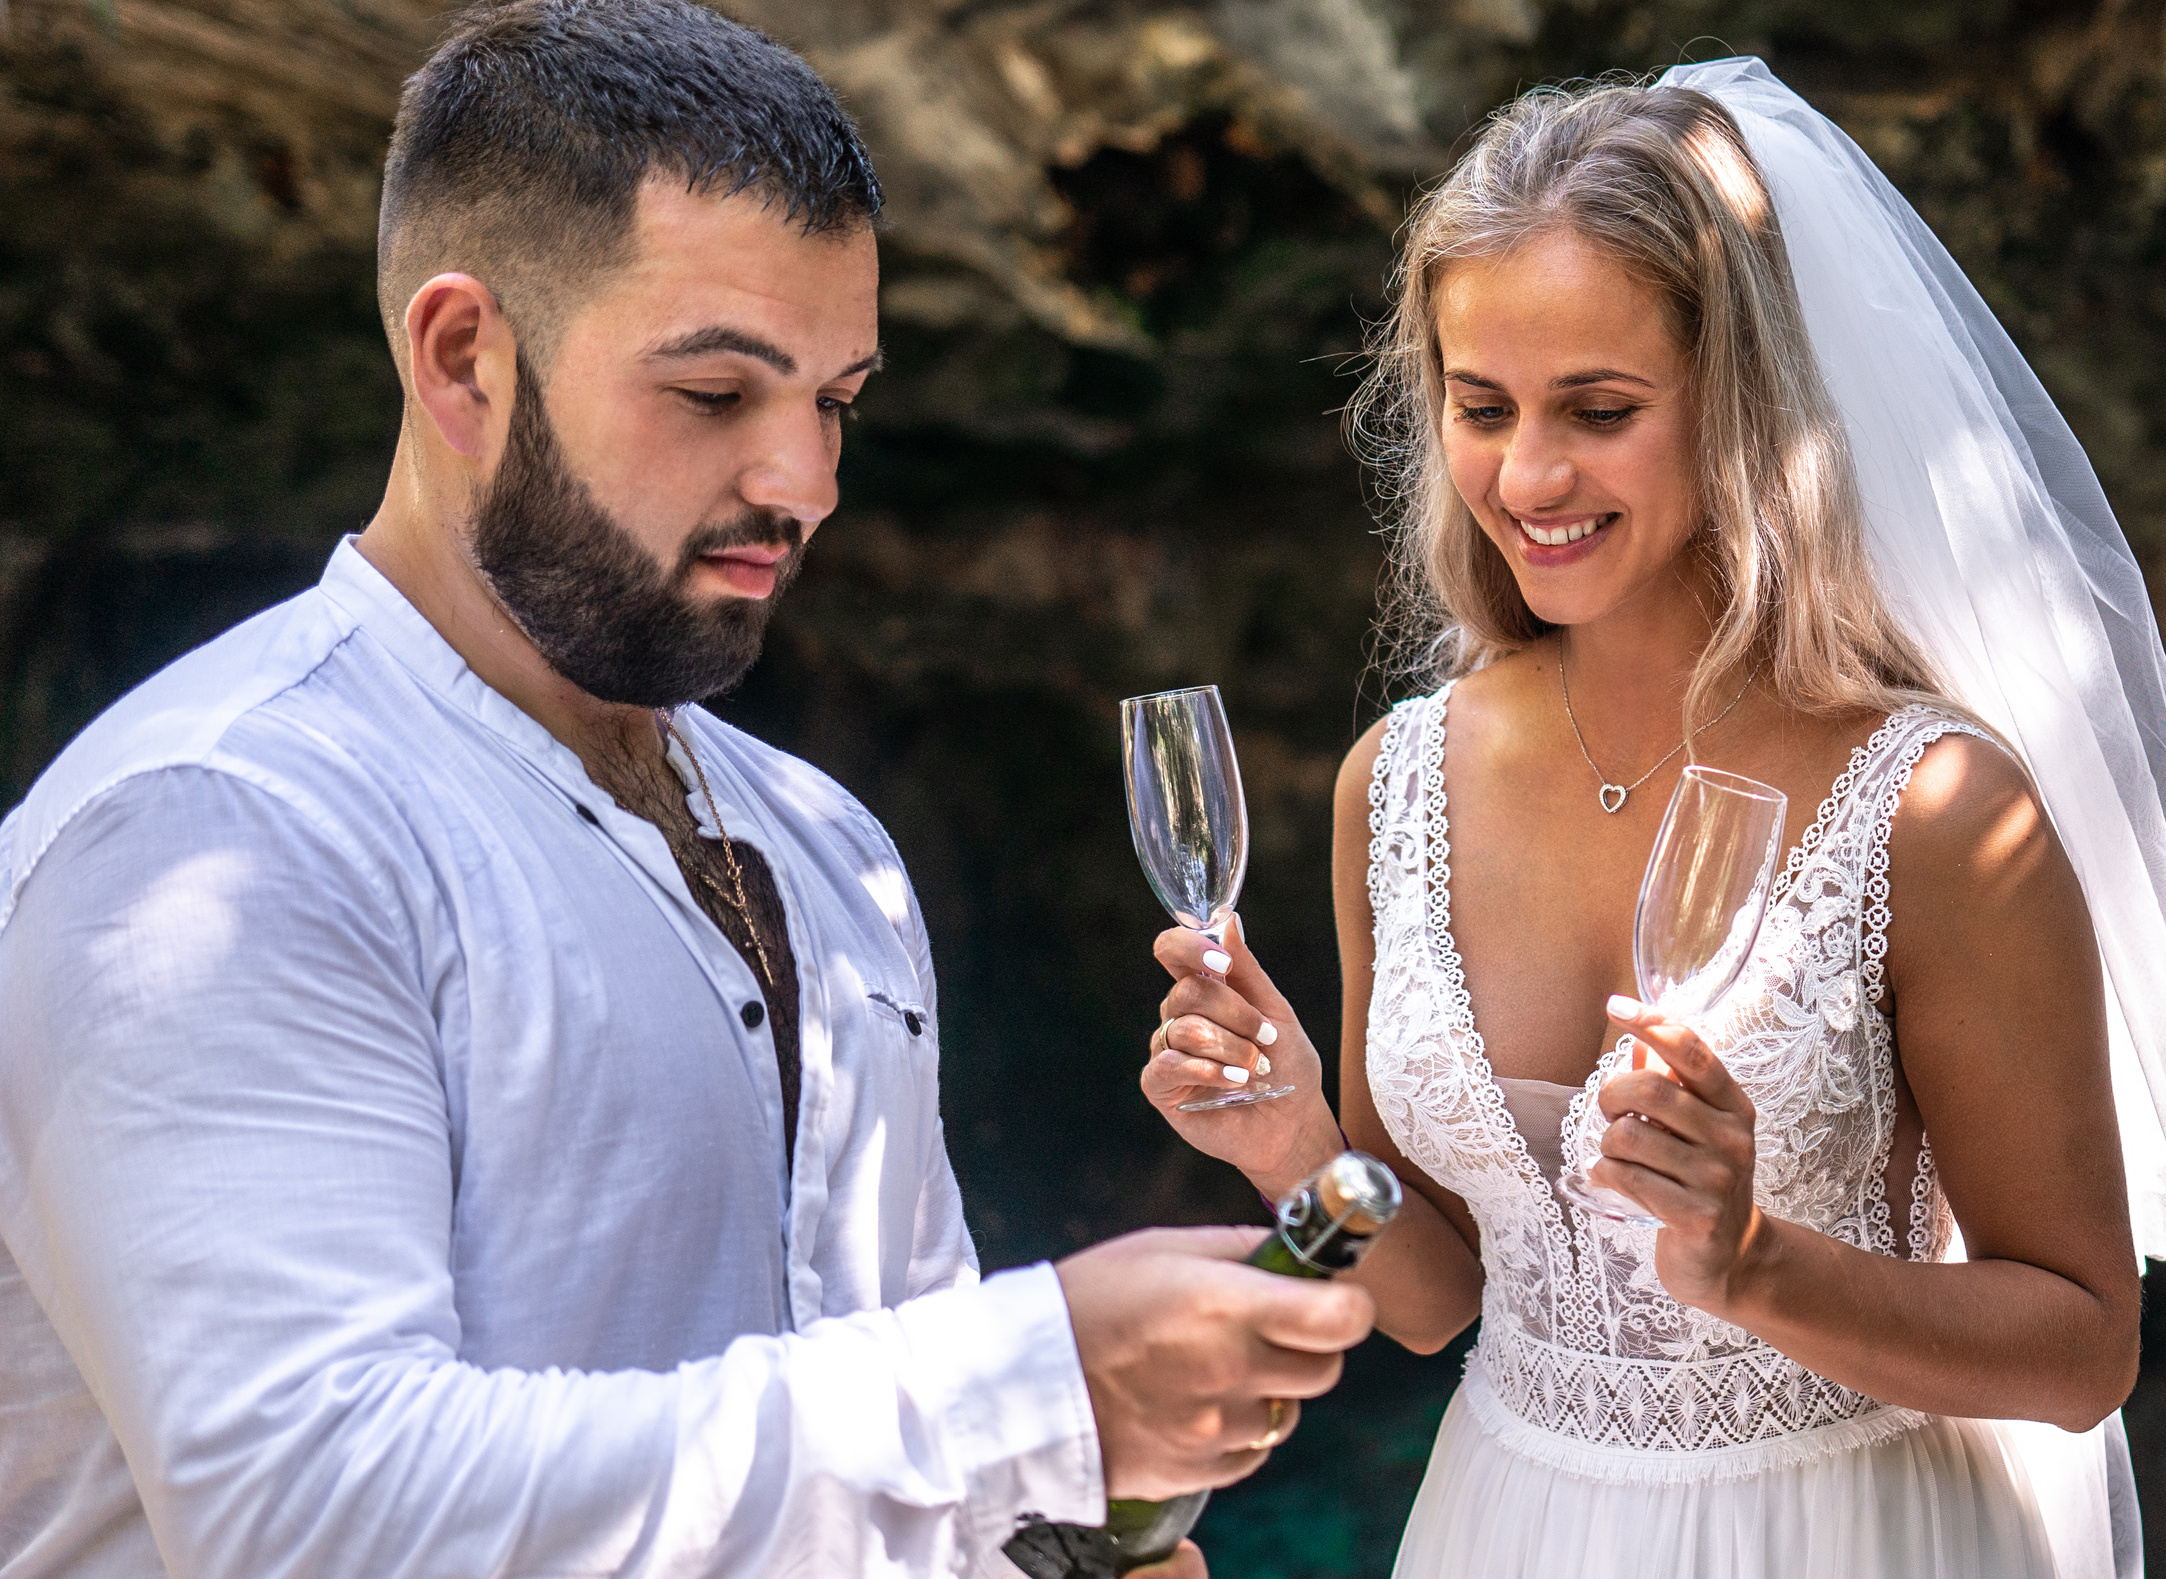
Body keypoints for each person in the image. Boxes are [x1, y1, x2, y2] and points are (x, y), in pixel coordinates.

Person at [0, 4, 1374, 1576]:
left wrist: (1047, 1538)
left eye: (837, 400)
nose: (808, 484)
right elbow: (314, 1517)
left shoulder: (831, 846)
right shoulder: (221, 830)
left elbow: (877, 1423)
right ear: (464, 359)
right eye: (719, 394)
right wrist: (1035, 1377)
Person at [1139, 61, 2166, 1579]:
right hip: (1508, 1523)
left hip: (1852, 1531)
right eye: (1480, 407)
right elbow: (1436, 1298)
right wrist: (1288, 1141)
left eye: (1600, 410)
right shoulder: (1397, 782)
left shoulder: (1933, 808)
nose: (1529, 474)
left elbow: (2083, 1348)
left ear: (1739, 399)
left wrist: (1753, 1262)